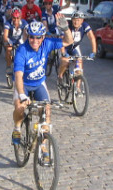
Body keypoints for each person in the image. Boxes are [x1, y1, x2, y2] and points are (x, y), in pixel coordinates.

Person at [12, 13, 73, 146]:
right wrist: (22, 95)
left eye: (38, 37)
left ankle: (44, 147)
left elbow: (69, 41)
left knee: (46, 111)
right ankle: (17, 128)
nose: (34, 40)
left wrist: (66, 28)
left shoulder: (48, 43)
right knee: (20, 109)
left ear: (43, 37)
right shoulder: (22, 50)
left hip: (39, 83)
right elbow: (18, 76)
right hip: (24, 84)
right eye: (31, 37)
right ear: (28, 37)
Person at [58, 11, 96, 84]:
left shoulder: (85, 25)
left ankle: (78, 89)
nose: (76, 22)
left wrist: (93, 51)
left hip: (74, 47)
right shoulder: (67, 25)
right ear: (72, 20)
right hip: (64, 46)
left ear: (82, 20)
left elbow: (92, 38)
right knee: (65, 62)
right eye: (74, 20)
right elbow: (61, 39)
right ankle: (60, 76)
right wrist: (63, 52)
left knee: (79, 65)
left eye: (78, 20)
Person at [3, 7, 27, 73]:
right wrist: (6, 41)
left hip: (20, 40)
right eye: (14, 18)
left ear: (20, 17)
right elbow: (5, 35)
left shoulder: (24, 23)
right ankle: (8, 66)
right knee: (8, 50)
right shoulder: (8, 23)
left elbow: (26, 34)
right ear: (11, 17)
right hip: (10, 40)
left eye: (17, 18)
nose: (16, 20)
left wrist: (25, 41)